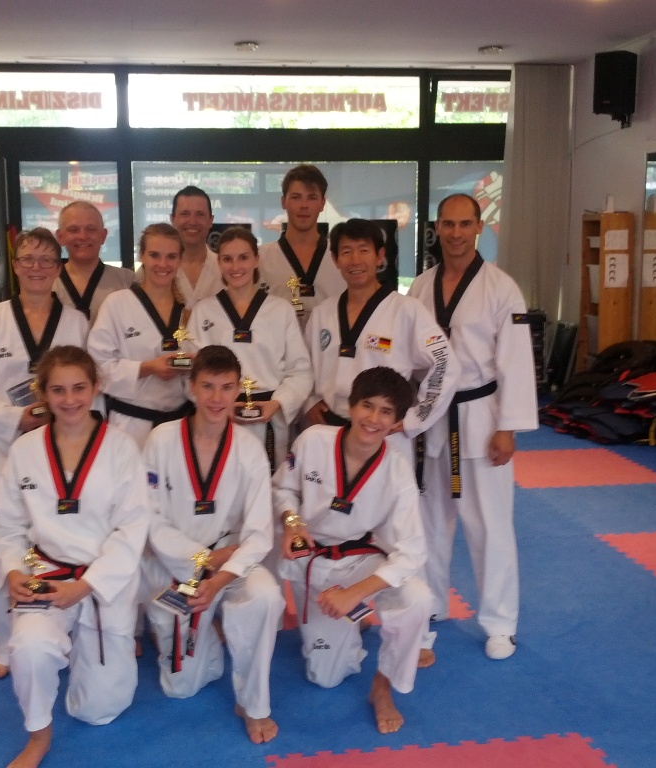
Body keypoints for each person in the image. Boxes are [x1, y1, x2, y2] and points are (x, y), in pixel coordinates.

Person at [0, 346, 150, 768]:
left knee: (98, 710)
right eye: (58, 390)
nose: (69, 399)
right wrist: (13, 569)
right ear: (42, 393)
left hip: (102, 580)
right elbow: (6, 525)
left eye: (79, 388)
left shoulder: (121, 448)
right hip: (46, 574)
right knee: (29, 647)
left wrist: (85, 586)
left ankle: (84, 651)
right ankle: (38, 736)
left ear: (96, 387)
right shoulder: (25, 450)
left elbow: (132, 528)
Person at [407, 193, 538, 661]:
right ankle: (431, 602)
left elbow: (515, 360)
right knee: (429, 521)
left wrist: (509, 426)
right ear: (437, 228)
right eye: (448, 224)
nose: (456, 233)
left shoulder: (502, 288)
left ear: (480, 226)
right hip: (430, 418)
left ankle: (500, 623)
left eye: (465, 224)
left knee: (489, 525)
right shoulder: (420, 287)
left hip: (481, 417)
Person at [0, 228, 91, 680]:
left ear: (58, 268)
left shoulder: (74, 321)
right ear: (15, 266)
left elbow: (86, 382)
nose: (37, 268)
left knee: (58, 540)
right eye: (28, 259)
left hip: (60, 448)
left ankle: (57, 628)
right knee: (2, 546)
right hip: (3, 448)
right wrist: (14, 419)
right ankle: (3, 642)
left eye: (46, 260)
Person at [274, 366, 431, 735]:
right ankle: (353, 622)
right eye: (367, 406)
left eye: (386, 412)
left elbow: (412, 551)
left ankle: (383, 684)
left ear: (396, 421)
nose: (373, 419)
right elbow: (283, 488)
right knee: (325, 677)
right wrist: (292, 521)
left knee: (418, 599)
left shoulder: (397, 470)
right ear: (351, 405)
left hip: (362, 560)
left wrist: (354, 594)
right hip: (314, 560)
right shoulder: (313, 440)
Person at [143, 345, 283, 744]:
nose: (217, 398)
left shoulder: (249, 450)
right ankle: (207, 638)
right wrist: (203, 558)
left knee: (266, 597)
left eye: (226, 387)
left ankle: (255, 704)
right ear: (190, 387)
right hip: (176, 563)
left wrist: (219, 577)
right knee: (181, 687)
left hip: (230, 565)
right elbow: (149, 519)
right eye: (207, 386)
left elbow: (259, 533)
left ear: (239, 389)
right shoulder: (161, 440)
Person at [303, 218, 458, 455]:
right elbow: (304, 367)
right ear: (335, 259)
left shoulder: (407, 310)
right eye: (346, 252)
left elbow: (445, 363)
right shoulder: (322, 314)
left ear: (380, 256)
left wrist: (416, 417)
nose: (355, 260)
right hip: (330, 429)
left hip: (384, 434)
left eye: (364, 250)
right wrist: (309, 401)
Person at [186, 226, 312, 469]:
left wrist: (277, 404)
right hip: (218, 414)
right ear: (219, 263)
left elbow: (301, 371)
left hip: (268, 417)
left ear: (256, 259)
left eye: (243, 257)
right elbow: (191, 372)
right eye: (227, 259)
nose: (235, 267)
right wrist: (218, 404)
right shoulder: (204, 311)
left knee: (264, 485)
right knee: (219, 480)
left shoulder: (281, 309)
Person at [87, 223, 192, 450]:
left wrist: (194, 365)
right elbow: (97, 366)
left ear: (180, 259)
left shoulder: (188, 309)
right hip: (130, 425)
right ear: (141, 255)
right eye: (154, 255)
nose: (162, 264)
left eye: (171, 256)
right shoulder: (117, 304)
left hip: (179, 424)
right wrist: (148, 368)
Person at [258, 164, 345, 326]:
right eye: (296, 197)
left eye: (311, 197)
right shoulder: (261, 258)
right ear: (283, 202)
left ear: (322, 203)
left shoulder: (341, 256)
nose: (304, 205)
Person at [53, 201, 134, 321]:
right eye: (73, 230)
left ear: (103, 236)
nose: (83, 236)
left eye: (91, 229)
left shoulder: (127, 281)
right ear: (60, 237)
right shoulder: (47, 282)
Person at [169, 185, 223, 308]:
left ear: (211, 220)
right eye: (185, 214)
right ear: (172, 219)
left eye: (200, 214)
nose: (192, 221)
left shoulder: (226, 270)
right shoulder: (156, 270)